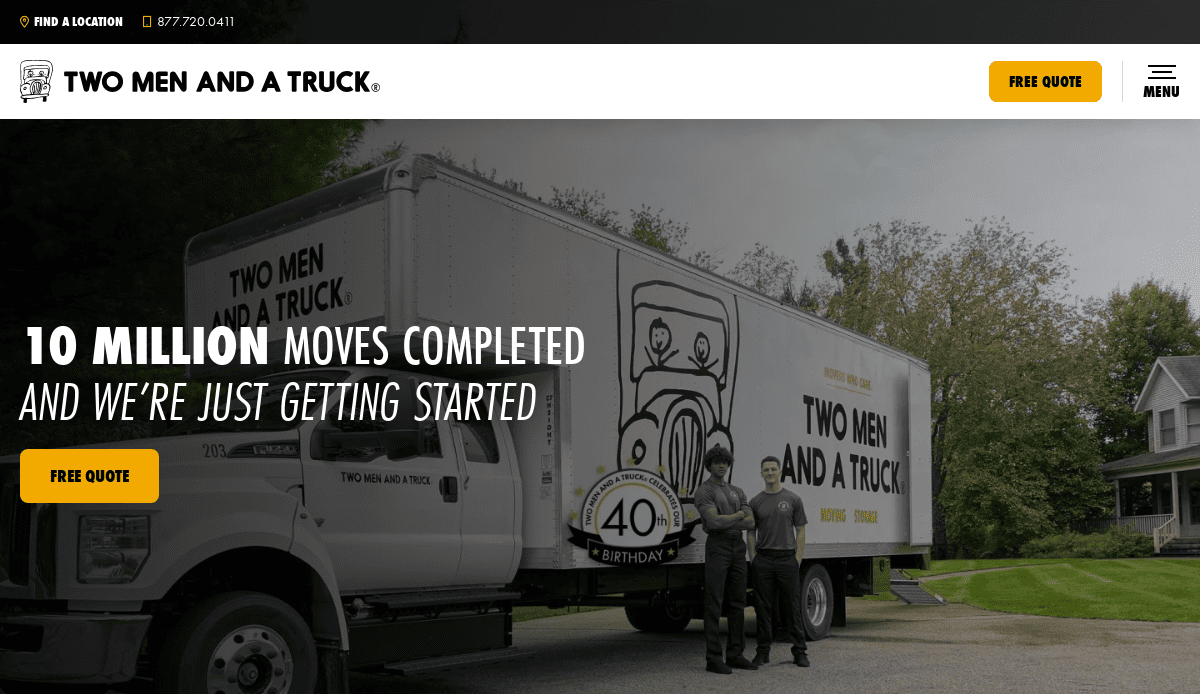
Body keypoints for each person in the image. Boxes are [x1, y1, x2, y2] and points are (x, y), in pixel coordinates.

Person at [693, 444, 758, 674]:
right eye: (717, 462)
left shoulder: (737, 490)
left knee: (737, 603)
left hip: (737, 548)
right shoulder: (704, 491)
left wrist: (732, 518)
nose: (721, 465)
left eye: (725, 462)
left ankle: (735, 654)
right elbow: (714, 523)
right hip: (718, 548)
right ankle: (713, 658)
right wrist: (740, 514)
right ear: (709, 465)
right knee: (713, 603)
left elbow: (751, 523)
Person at [747, 455, 810, 668]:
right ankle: (762, 652)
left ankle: (800, 652)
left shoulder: (793, 499)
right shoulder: (755, 502)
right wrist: (753, 558)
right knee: (763, 609)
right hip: (763, 560)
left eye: (774, 469)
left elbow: (801, 530)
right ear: (761, 473)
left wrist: (798, 557)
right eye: (766, 470)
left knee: (791, 607)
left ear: (780, 471)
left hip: (787, 560)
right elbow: (750, 533)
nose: (770, 473)